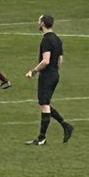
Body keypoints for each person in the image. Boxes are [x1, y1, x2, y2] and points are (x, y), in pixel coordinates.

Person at [24, 14, 73, 145]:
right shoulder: (57, 39)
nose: (37, 22)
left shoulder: (46, 40)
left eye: (39, 20)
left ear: (43, 24)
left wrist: (33, 71)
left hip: (47, 75)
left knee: (44, 105)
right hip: (55, 74)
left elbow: (45, 61)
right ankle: (65, 126)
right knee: (44, 103)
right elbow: (60, 60)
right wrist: (54, 70)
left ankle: (42, 138)